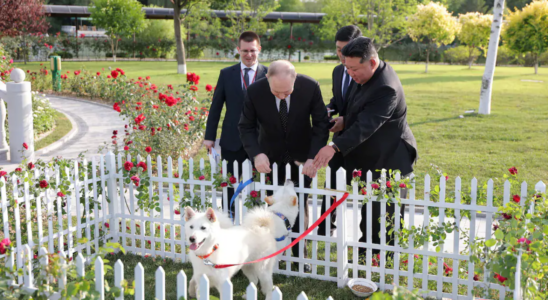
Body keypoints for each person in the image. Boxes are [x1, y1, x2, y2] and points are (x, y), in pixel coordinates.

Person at [313, 37, 418, 254]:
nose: (350, 74)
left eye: (353, 68)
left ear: (371, 62)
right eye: (346, 68)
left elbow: (367, 125)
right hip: (371, 155)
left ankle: (381, 260)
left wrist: (333, 147)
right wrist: (344, 120)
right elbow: (357, 110)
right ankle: (367, 256)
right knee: (370, 210)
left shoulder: (386, 87)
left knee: (382, 216)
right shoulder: (363, 75)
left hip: (390, 158)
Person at [238, 60, 329, 269]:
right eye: (276, 92)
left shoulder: (310, 87)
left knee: (300, 204)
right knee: (272, 206)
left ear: (295, 79)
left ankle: (300, 256)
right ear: (267, 79)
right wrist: (257, 154)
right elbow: (246, 126)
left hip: (302, 158)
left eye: (287, 92)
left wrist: (312, 157)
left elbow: (321, 124)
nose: (281, 96)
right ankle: (272, 254)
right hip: (269, 158)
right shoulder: (255, 91)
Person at [204, 31, 268, 213]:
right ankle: (227, 220)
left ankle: (256, 222)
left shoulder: (269, 73)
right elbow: (216, 107)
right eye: (245, 50)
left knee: (258, 186)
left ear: (259, 50)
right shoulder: (226, 74)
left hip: (260, 141)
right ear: (238, 50)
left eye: (253, 50)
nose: (249, 55)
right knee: (229, 186)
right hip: (232, 140)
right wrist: (209, 137)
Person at [318, 25, 362, 237]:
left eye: (347, 50)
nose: (342, 56)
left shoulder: (366, 73)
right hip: (339, 140)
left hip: (363, 140)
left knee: (365, 190)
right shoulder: (337, 71)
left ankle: (367, 234)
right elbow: (339, 100)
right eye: (338, 50)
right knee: (331, 185)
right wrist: (329, 108)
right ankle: (326, 227)